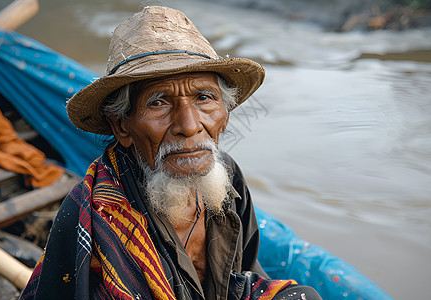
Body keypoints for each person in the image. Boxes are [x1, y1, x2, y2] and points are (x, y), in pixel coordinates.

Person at [21, 6, 321, 300]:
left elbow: (244, 271)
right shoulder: (93, 219)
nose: (189, 127)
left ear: (225, 115)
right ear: (122, 126)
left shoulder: (228, 179)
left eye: (204, 97)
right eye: (158, 103)